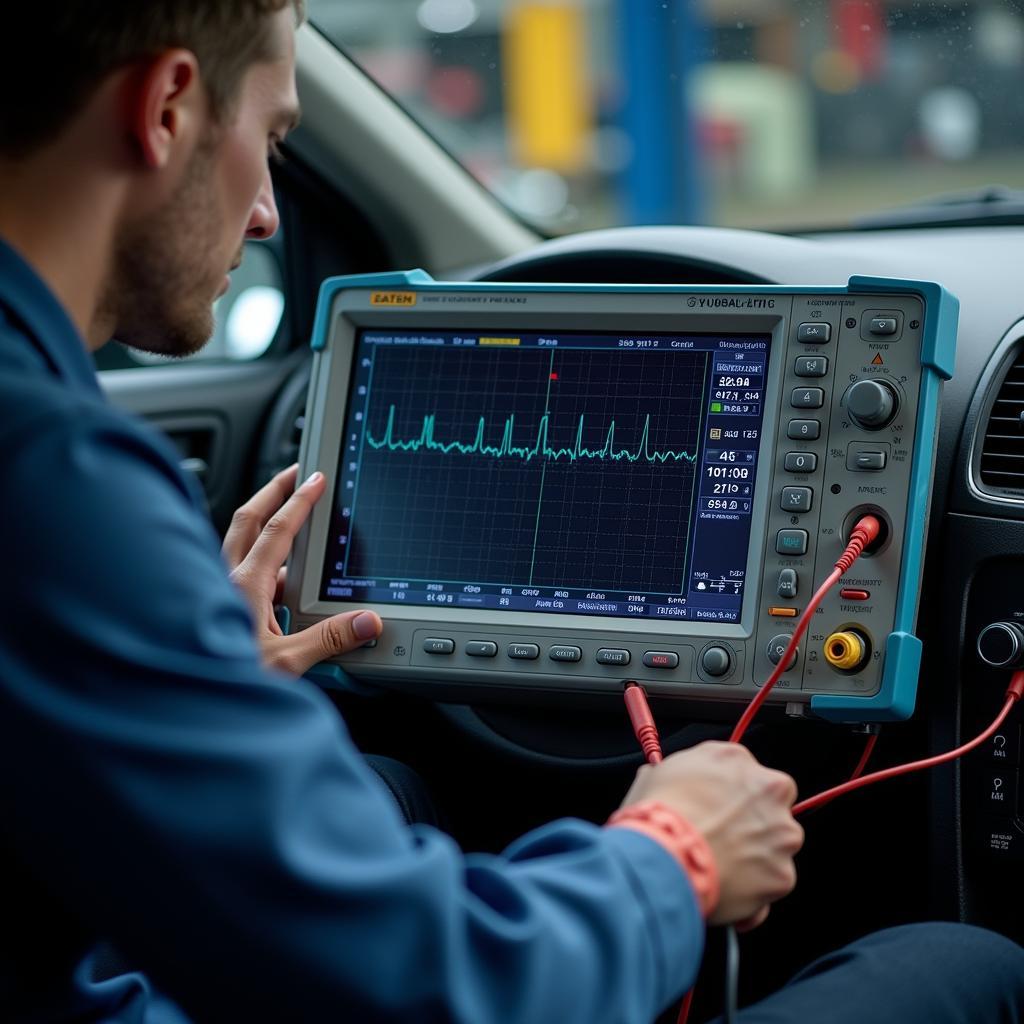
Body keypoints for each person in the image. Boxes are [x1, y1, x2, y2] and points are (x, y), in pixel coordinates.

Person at [0, 3, 1020, 1023]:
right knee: (964, 962)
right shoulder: (53, 480)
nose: (268, 211)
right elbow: (434, 983)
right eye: (270, 140)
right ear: (168, 107)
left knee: (393, 788)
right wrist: (677, 856)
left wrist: (193, 702)